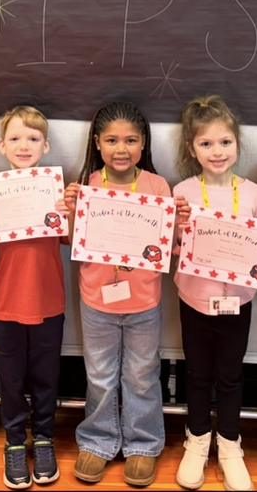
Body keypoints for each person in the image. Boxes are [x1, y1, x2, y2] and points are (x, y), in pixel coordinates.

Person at [64, 101, 191, 488]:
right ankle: (98, 440)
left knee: (142, 375)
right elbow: (71, 243)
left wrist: (180, 223)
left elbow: (168, 247)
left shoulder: (157, 186)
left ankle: (143, 444)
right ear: (97, 144)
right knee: (100, 376)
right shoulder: (87, 185)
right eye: (112, 140)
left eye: (131, 140)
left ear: (144, 143)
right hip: (96, 300)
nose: (121, 149)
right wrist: (69, 212)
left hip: (144, 301)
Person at [171, 96, 257, 491]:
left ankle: (229, 443)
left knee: (230, 374)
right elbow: (170, 247)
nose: (217, 151)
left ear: (237, 143)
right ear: (191, 148)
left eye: (225, 142)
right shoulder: (182, 192)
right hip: (194, 300)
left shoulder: (255, 193)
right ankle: (196, 439)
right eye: (206, 143)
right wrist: (178, 232)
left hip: (238, 302)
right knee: (197, 373)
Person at [0, 106, 71, 488]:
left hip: (49, 303)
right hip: (7, 303)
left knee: (46, 376)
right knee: (10, 379)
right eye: (14, 138)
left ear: (46, 145)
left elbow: (73, 240)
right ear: (1, 146)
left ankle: (43, 438)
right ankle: (14, 441)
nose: (23, 145)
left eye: (32, 138)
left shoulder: (55, 191)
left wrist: (70, 212)